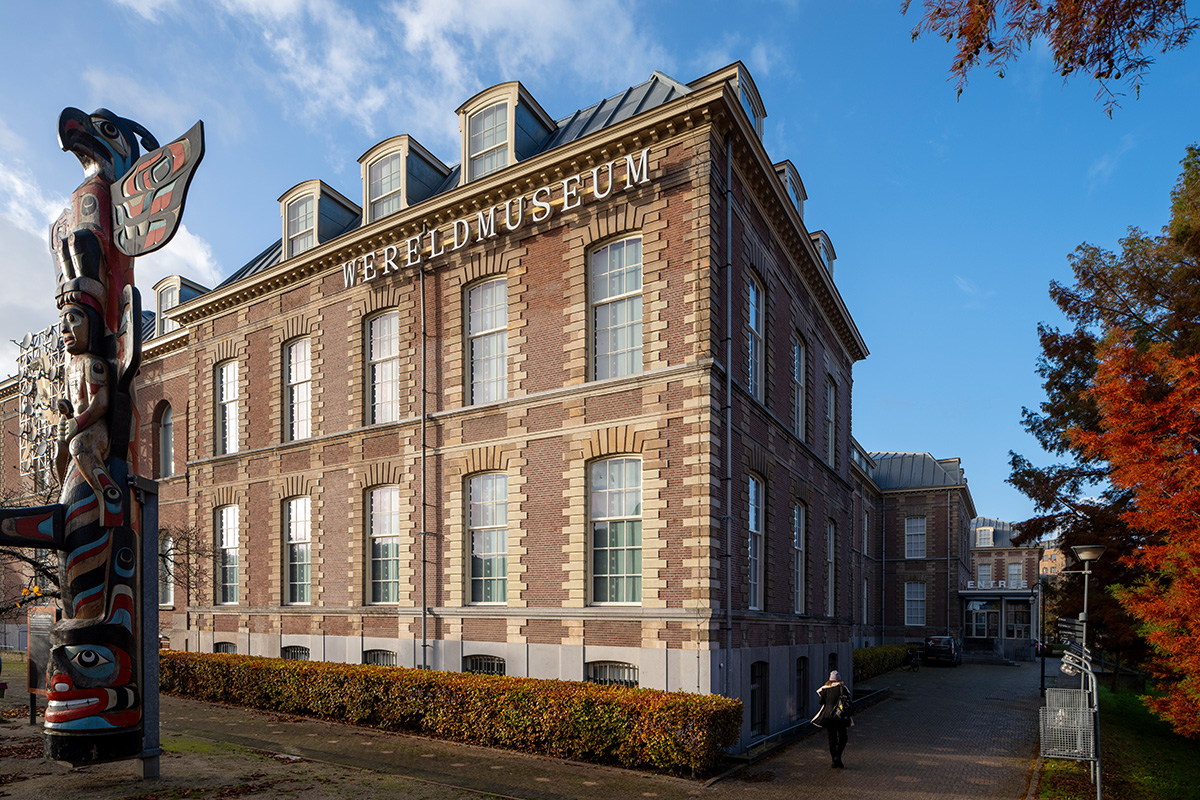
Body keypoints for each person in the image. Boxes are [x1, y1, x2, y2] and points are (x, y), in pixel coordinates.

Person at [813, 669, 853, 768]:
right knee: (843, 737)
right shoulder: (842, 689)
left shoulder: (825, 689)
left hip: (828, 717)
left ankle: (834, 760)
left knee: (832, 738)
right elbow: (848, 701)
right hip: (840, 717)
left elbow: (820, 702)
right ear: (839, 679)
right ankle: (838, 757)